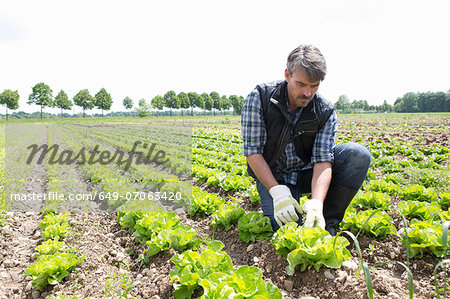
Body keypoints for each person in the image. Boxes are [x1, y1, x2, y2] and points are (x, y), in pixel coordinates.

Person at [241, 44, 371, 235]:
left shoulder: (324, 110)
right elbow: (253, 151)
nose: (308, 93)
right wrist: (277, 192)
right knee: (287, 229)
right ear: (288, 75)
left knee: (358, 155)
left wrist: (317, 202)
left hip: (306, 172)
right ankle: (282, 197)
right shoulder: (260, 98)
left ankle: (327, 222)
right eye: (301, 84)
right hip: (274, 174)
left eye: (314, 86)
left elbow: (322, 160)